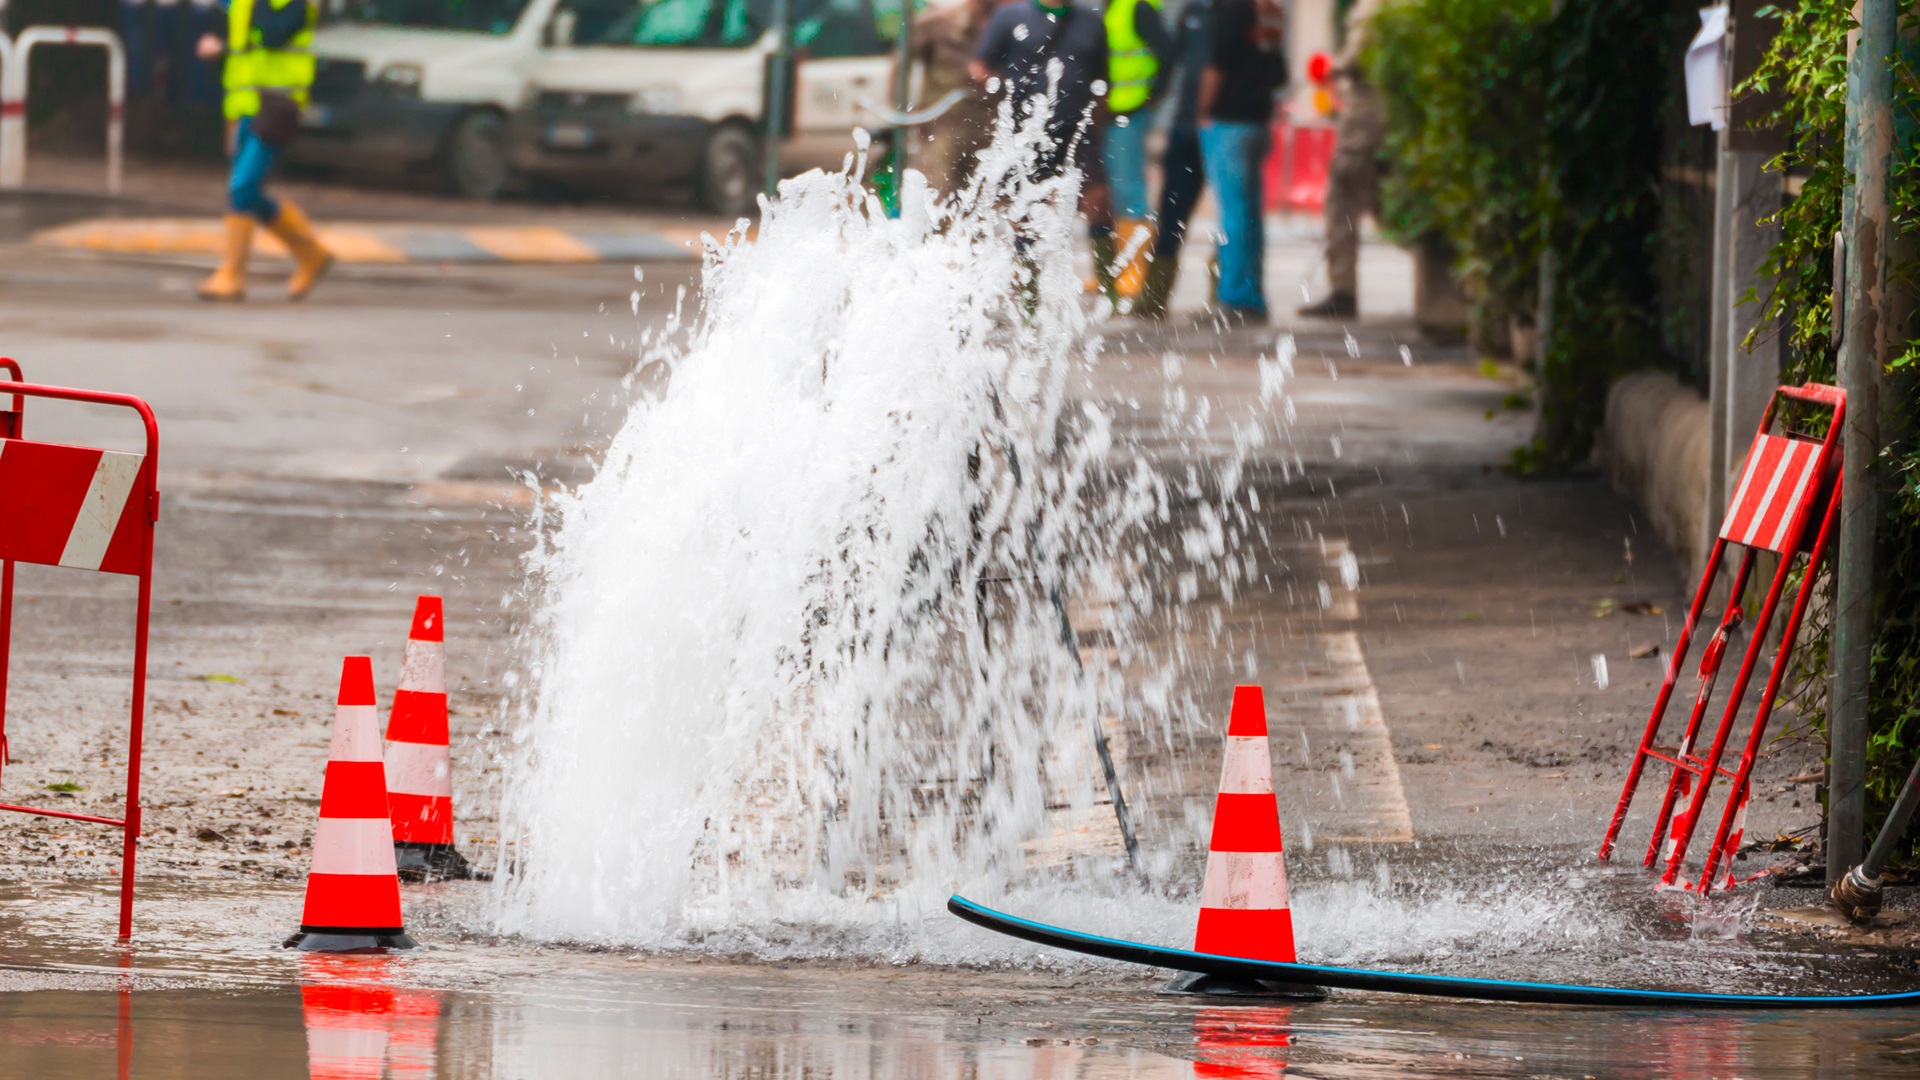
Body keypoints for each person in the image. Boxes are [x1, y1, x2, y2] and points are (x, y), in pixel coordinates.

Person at [195, 0, 334, 303]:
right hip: (243, 107)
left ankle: (232, 274)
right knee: (246, 192)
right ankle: (310, 252)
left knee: (242, 186)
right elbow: (243, 52)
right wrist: (217, 51)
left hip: (276, 106)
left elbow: (273, 32)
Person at [971, 0, 1112, 240]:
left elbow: (1102, 79)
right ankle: (1029, 272)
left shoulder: (1092, 21)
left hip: (1077, 127)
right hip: (1026, 129)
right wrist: (1005, 91)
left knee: (1097, 200)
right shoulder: (1009, 16)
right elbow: (979, 67)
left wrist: (1100, 120)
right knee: (1029, 208)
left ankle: (1106, 274)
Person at [1196, 0, 1285, 321]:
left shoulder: (1229, 10)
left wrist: (1203, 111)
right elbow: (1279, 72)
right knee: (1249, 214)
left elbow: (1215, 66)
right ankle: (1252, 296)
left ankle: (1233, 298)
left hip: (1228, 122)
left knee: (1233, 213)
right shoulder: (1268, 11)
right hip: (1257, 122)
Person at [1299, 0, 1385, 319]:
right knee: (1386, 200)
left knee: (1342, 201)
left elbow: (1360, 56)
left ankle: (1343, 292)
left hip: (1366, 119)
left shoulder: (1374, 9)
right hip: (1391, 117)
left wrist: (1332, 68)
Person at [1134, 0, 1214, 319]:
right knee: (1171, 213)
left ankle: (1227, 300)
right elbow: (1174, 59)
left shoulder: (1241, 11)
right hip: (1184, 125)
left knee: (1233, 218)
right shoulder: (1192, 13)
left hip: (1219, 124)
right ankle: (1154, 297)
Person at [1098, 0, 1172, 300]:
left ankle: (1133, 271)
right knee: (1116, 191)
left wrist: (1151, 97)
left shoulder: (1136, 7)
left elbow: (1166, 53)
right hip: (1112, 110)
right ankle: (1119, 268)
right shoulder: (1113, 8)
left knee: (1130, 192)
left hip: (1130, 108)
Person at [907, 0, 999, 196]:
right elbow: (901, 67)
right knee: (937, 191)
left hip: (987, 125)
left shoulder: (1005, 23)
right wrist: (908, 112)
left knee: (983, 197)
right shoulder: (938, 23)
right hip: (942, 123)